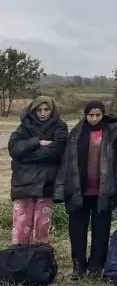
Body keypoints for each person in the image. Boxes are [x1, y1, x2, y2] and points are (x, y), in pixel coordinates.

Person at [54, 101, 117, 279]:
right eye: (91, 115)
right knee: (77, 230)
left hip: (102, 191)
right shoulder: (76, 133)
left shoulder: (111, 134)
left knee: (101, 230)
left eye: (98, 115)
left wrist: (116, 184)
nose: (94, 118)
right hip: (79, 191)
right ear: (85, 114)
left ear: (103, 115)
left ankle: (95, 265)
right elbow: (66, 163)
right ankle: (78, 265)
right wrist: (61, 189)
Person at [8, 96, 68, 245]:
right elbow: (14, 149)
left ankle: (38, 260)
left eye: (46, 109)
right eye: (39, 110)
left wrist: (26, 155)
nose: (43, 113)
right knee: (21, 226)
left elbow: (56, 151)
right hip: (23, 183)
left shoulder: (60, 127)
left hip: (45, 183)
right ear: (33, 110)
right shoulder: (24, 127)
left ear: (52, 110)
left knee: (41, 226)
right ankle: (18, 259)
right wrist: (37, 142)